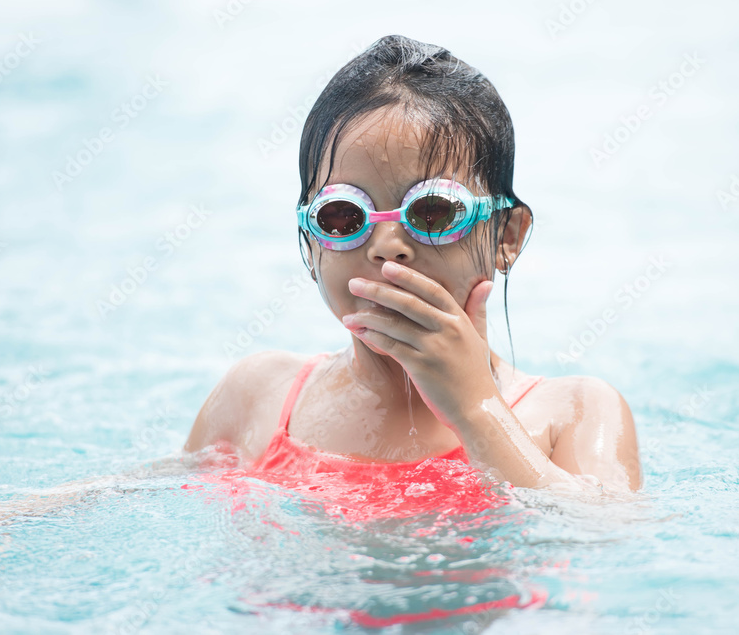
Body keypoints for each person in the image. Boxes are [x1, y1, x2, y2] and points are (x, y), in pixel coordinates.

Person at [183, 34, 642, 505]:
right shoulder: (258, 396)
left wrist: (476, 410)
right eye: (343, 216)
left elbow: (600, 537)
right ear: (310, 239)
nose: (387, 247)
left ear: (507, 235)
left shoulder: (572, 412)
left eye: (432, 212)